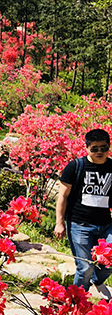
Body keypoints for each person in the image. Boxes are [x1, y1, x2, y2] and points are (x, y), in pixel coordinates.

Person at [55, 128, 112, 299]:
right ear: (86, 148)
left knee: (109, 263)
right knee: (85, 267)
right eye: (94, 148)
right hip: (79, 224)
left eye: (103, 148)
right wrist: (59, 223)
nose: (99, 152)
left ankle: (98, 280)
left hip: (105, 224)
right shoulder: (75, 167)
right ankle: (76, 302)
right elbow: (62, 196)